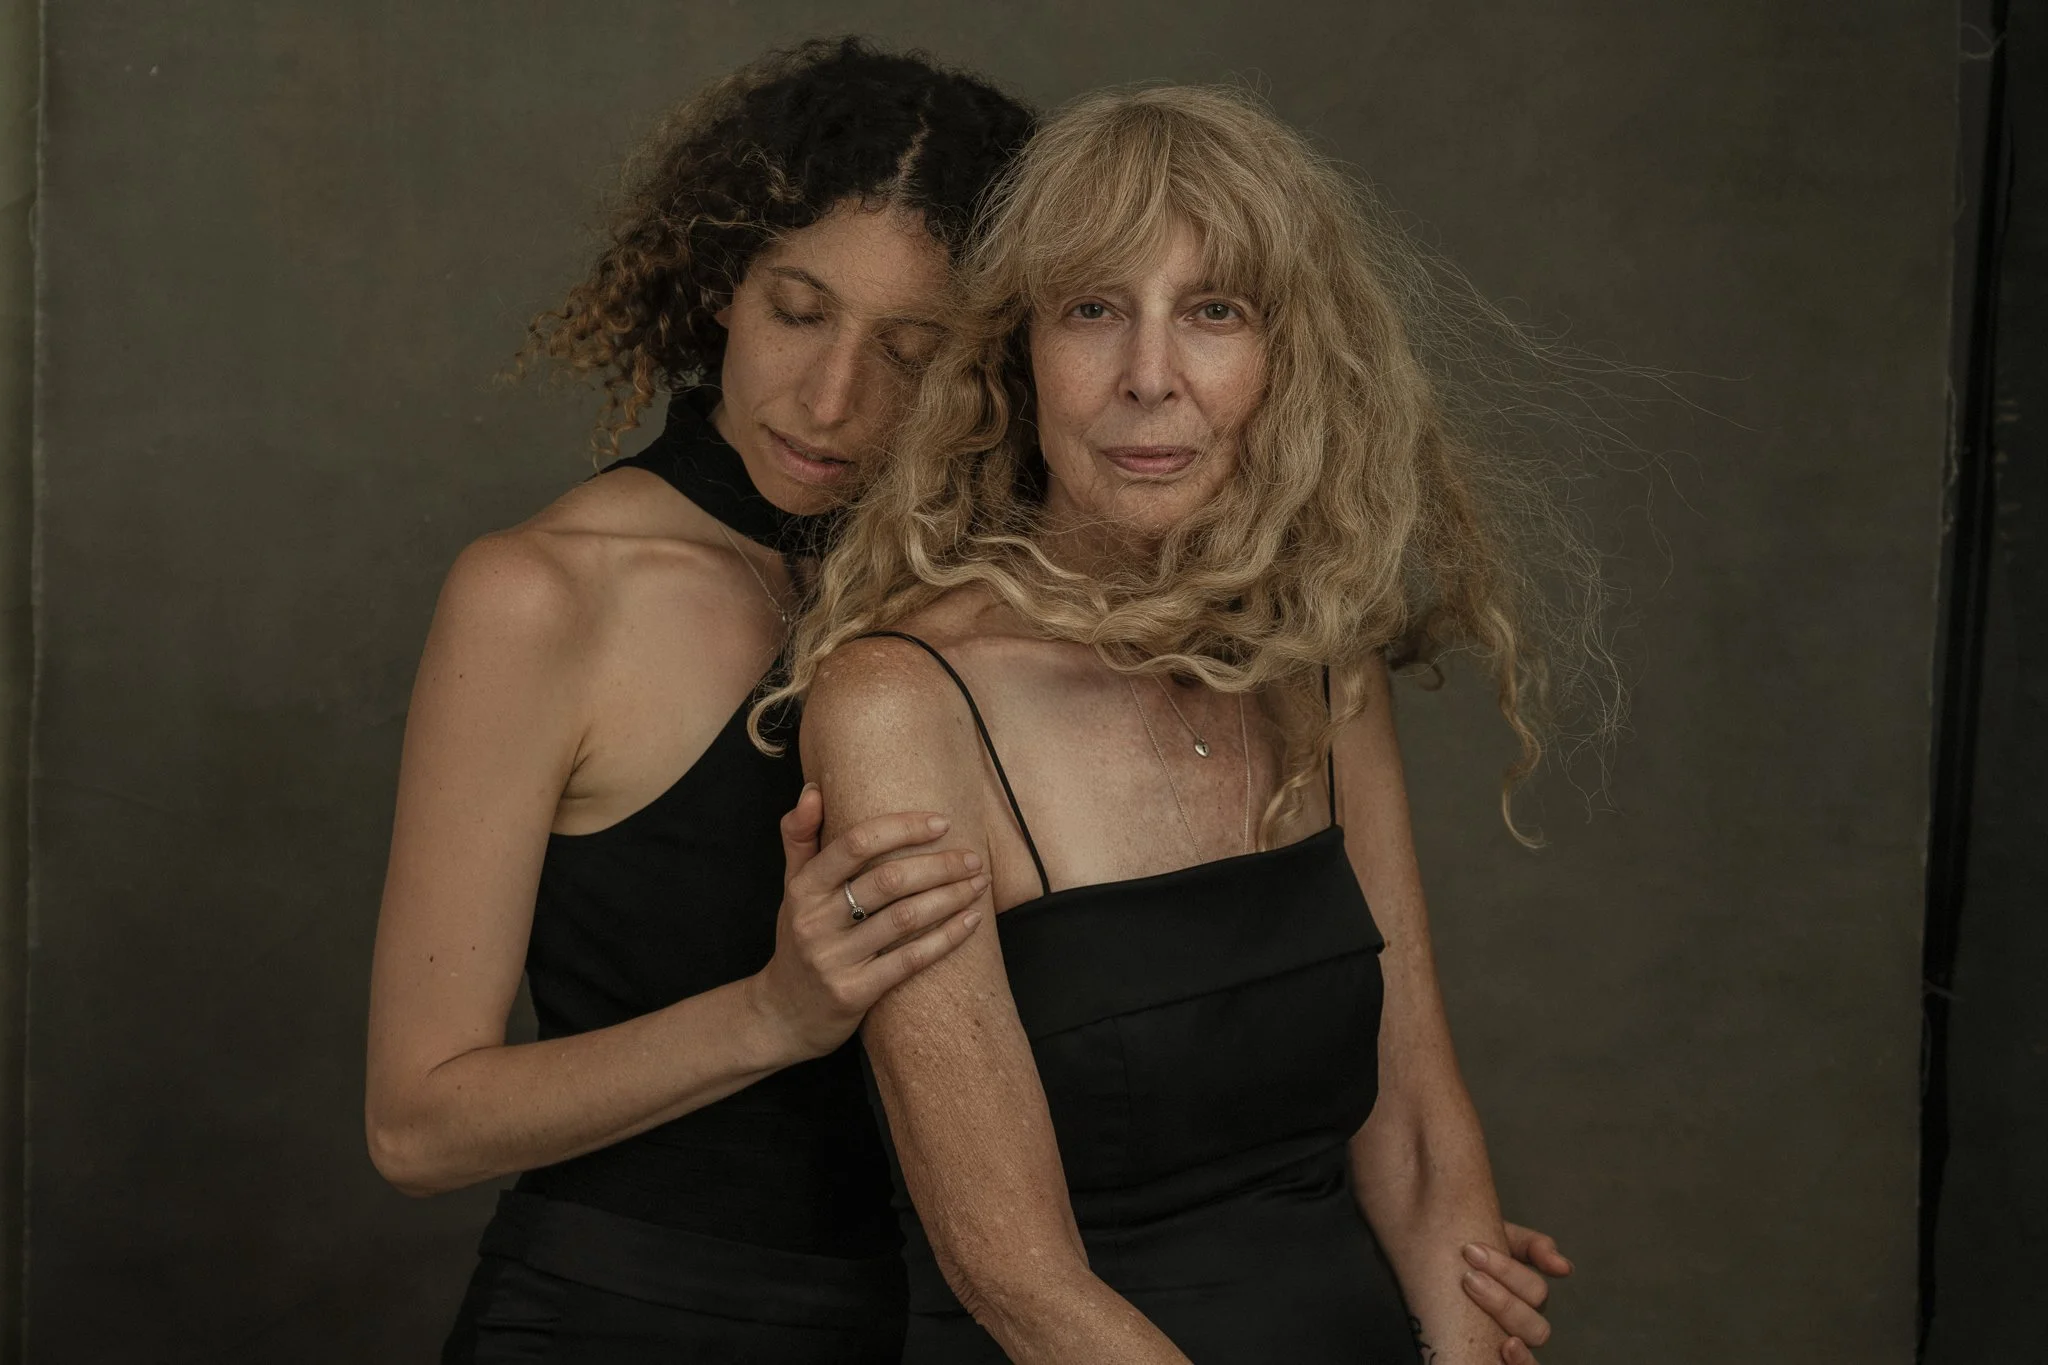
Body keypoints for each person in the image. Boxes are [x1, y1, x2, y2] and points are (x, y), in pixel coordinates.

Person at [780, 84, 1607, 1363]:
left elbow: (1418, 1132)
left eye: (1211, 311)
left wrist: (1461, 1340)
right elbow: (1015, 1276)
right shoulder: (899, 703)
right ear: (1019, 354)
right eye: (1093, 311)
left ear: (1286, 359)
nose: (1148, 378)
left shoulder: (1315, 660)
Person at [365, 39, 1034, 1362]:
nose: (835, 398)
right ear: (722, 281)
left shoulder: (984, 597)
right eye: (799, 310)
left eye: (909, 350)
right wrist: (771, 1014)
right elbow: (417, 1124)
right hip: (623, 1325)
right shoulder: (545, 594)